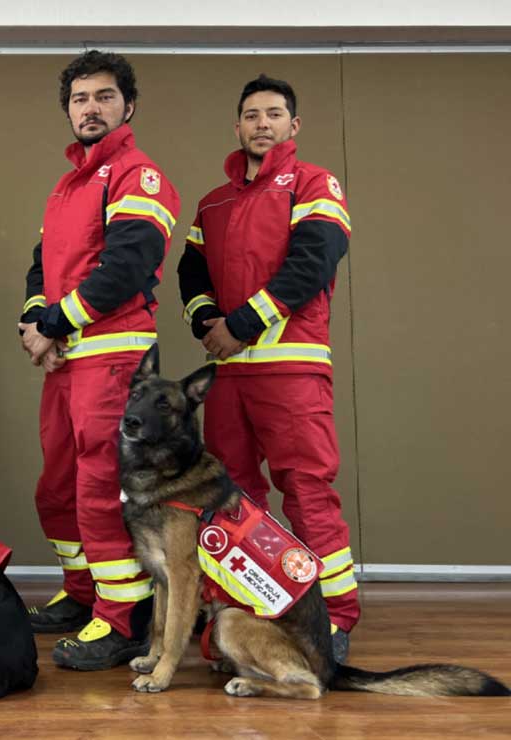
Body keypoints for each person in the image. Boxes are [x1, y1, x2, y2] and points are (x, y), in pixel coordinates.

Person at [177, 74, 357, 662]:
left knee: (307, 490)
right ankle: (249, 614)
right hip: (230, 376)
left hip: (292, 368)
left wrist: (240, 325)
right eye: (251, 115)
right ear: (237, 126)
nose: (262, 123)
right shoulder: (213, 202)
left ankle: (332, 620)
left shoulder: (313, 182)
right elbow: (191, 271)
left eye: (273, 114)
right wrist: (207, 322)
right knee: (233, 501)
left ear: (293, 125)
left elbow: (313, 262)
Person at [18, 50, 180, 670]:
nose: (91, 108)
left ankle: (125, 619)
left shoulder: (138, 175)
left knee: (98, 488)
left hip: (114, 357)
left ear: (128, 106)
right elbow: (43, 265)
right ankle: (83, 592)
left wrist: (55, 323)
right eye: (81, 99)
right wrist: (37, 322)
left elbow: (128, 267)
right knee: (57, 487)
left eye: (104, 97)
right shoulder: (69, 186)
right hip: (65, 359)